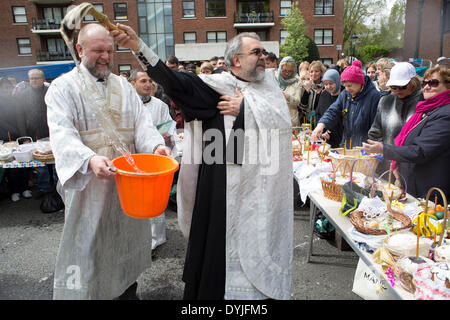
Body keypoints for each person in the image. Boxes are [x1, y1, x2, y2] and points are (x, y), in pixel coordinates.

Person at [113, 25, 293, 300]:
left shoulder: (269, 88)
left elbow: (282, 124)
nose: (262, 57)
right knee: (215, 263)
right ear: (236, 60)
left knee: (257, 256)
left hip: (261, 191)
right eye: (255, 52)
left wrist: (245, 108)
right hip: (220, 188)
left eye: (263, 52)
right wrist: (138, 45)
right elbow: (175, 81)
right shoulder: (215, 88)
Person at [46, 23, 171, 300]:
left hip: (129, 187)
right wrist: (89, 159)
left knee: (125, 245)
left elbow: (142, 125)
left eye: (109, 51)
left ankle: (127, 291)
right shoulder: (62, 88)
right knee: (89, 247)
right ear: (79, 50)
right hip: (91, 187)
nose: (105, 57)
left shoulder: (124, 88)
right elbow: (62, 134)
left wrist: (156, 146)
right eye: (97, 51)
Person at [363, 65, 450, 199]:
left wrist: (384, 149)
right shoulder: (427, 108)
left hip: (429, 189)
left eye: (433, 83)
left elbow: (420, 150)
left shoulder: (442, 113)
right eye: (425, 83)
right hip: (403, 175)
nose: (427, 87)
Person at [130, 68, 173, 253]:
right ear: (132, 84)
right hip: (134, 158)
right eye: (143, 81)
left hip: (155, 156)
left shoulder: (160, 105)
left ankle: (156, 239)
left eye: (150, 81)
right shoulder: (127, 105)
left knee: (154, 198)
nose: (148, 85)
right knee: (136, 200)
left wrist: (163, 135)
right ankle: (138, 237)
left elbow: (169, 126)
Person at [368, 62, 424, 174]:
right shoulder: (386, 101)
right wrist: (383, 152)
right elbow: (374, 133)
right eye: (394, 86)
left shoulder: (424, 101)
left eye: (402, 86)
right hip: (387, 168)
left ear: (413, 82)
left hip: (414, 168)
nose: (398, 90)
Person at [311, 60, 381, 148]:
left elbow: (376, 126)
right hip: (347, 145)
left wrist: (370, 145)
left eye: (350, 85)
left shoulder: (374, 97)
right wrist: (321, 124)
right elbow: (334, 110)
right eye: (345, 85)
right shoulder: (345, 94)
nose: (347, 89)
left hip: (365, 147)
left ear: (360, 82)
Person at [15, 69, 56, 198]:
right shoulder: (23, 95)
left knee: (55, 163)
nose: (34, 81)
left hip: (52, 132)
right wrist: (24, 137)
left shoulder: (52, 92)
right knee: (40, 165)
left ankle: (57, 188)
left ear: (43, 79)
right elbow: (20, 117)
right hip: (34, 134)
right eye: (32, 78)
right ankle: (44, 188)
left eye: (37, 78)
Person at [315, 68, 343, 148]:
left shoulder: (345, 95)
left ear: (337, 82)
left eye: (331, 83)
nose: (328, 87)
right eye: (326, 84)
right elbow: (319, 114)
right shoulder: (324, 95)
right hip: (327, 139)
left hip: (342, 138)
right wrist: (323, 131)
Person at [275, 56, 302, 127]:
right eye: (284, 70)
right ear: (280, 68)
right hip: (275, 117)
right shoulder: (274, 78)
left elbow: (297, 102)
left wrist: (288, 97)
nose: (287, 73)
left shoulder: (297, 81)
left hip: (290, 119)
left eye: (290, 71)